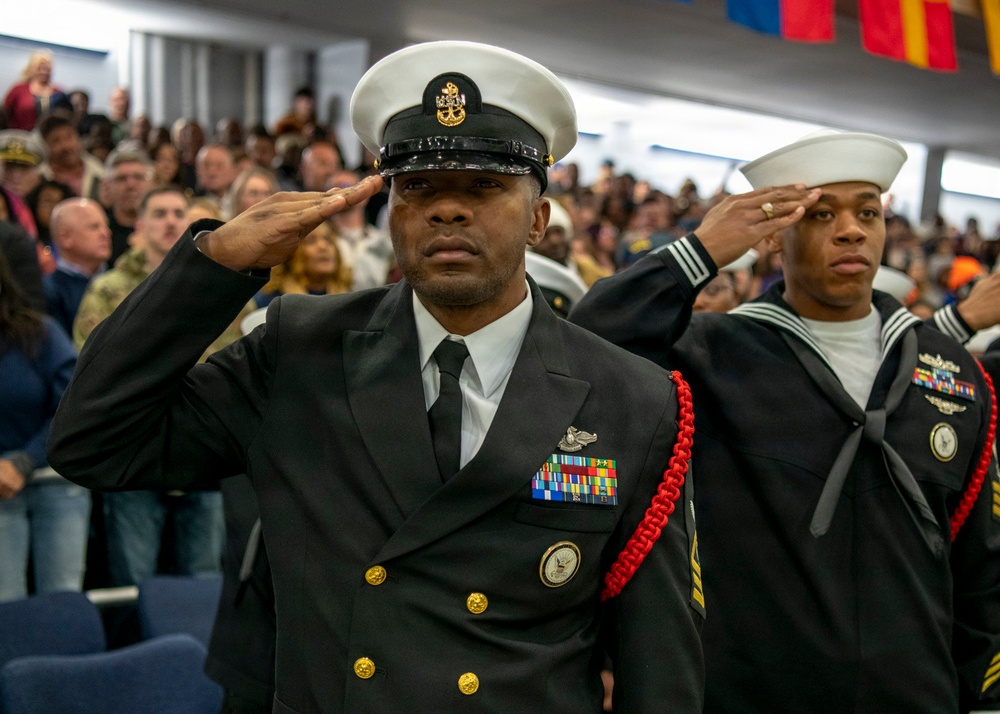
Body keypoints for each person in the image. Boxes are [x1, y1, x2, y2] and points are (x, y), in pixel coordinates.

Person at [50, 41, 704, 713]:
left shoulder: (631, 396)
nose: (448, 210)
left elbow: (660, 665)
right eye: (417, 188)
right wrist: (213, 265)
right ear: (389, 212)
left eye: (484, 186)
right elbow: (93, 441)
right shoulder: (300, 350)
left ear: (538, 219)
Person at [571, 130, 1000, 713]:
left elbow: (982, 572)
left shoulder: (950, 371)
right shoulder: (713, 354)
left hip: (914, 695)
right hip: (752, 693)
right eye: (822, 214)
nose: (851, 229)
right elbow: (588, 344)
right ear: (774, 237)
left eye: (867, 212)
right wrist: (700, 253)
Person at [71, 186, 239, 587]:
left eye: (178, 213)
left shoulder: (220, 283)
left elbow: (240, 359)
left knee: (204, 584)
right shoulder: (109, 289)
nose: (169, 221)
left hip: (203, 454)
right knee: (134, 583)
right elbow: (91, 370)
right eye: (159, 213)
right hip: (135, 452)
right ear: (140, 225)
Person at [0, 249, 86, 603]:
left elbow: (75, 407)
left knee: (64, 599)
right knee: (6, 604)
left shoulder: (41, 333)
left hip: (55, 477)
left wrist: (25, 460)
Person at [43, 198, 111, 336]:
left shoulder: (121, 280)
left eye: (106, 226)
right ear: (65, 237)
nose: (106, 234)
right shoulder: (48, 290)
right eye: (94, 227)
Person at [102, 149, 155, 266]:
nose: (131, 185)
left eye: (138, 177)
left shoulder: (164, 228)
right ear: (107, 186)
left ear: (152, 183)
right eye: (121, 178)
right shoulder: (100, 231)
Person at [37, 115, 104, 201]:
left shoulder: (101, 174)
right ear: (46, 146)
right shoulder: (39, 179)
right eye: (56, 141)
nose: (65, 146)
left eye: (69, 137)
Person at [3, 51, 69, 132]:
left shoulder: (58, 92)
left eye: (47, 69)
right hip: (19, 137)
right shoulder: (18, 89)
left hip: (48, 139)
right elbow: (4, 112)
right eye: (39, 68)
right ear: (31, 69)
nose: (43, 71)